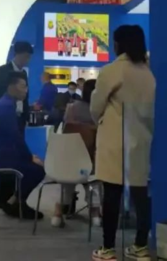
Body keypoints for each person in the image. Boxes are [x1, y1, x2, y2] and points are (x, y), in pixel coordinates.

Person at [90, 25, 155, 261]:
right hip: (141, 140)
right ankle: (140, 246)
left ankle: (108, 249)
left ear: (118, 44)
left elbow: (95, 107)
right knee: (140, 194)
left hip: (115, 140)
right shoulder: (148, 73)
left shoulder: (112, 71)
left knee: (112, 194)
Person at [0, 72, 45, 219]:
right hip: (0, 158)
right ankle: (17, 203)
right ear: (11, 87)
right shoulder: (6, 107)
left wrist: (28, 156)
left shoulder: (6, 103)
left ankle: (14, 202)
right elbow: (16, 138)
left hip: (1, 154)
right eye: (23, 86)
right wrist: (30, 157)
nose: (26, 90)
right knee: (38, 170)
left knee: (33, 167)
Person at [0, 41, 33, 212]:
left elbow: (26, 98)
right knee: (5, 158)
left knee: (16, 158)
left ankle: (12, 197)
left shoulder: (24, 74)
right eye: (26, 56)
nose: (27, 60)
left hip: (18, 120)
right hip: (5, 119)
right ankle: (1, 198)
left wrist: (25, 117)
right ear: (18, 54)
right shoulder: (3, 71)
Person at [53, 79, 98, 228]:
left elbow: (66, 129)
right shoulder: (98, 112)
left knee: (66, 180)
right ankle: (95, 212)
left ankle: (57, 212)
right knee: (95, 178)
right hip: (89, 162)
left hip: (68, 160)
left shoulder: (71, 108)